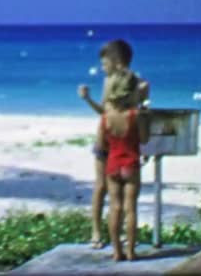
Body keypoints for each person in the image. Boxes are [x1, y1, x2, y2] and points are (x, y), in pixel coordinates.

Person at [77, 39, 149, 249]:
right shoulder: (114, 82)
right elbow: (113, 113)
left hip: (116, 139)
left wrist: (88, 100)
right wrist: (90, 100)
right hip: (112, 138)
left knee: (116, 194)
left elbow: (115, 113)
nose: (102, 67)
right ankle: (98, 231)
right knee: (105, 188)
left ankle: (114, 236)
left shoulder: (131, 83)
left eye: (104, 63)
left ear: (116, 60)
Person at [98, 70, 150, 261]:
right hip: (131, 163)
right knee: (131, 208)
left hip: (113, 164)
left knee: (115, 207)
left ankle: (116, 251)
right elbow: (144, 139)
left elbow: (100, 143)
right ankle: (131, 252)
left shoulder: (106, 117)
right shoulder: (135, 115)